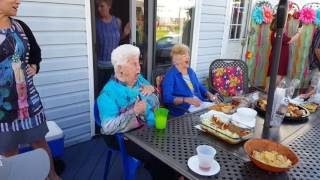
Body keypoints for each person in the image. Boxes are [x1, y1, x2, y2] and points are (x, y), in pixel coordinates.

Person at [97, 44, 180, 179]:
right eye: (134, 64)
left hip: (150, 129)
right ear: (120, 69)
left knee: (176, 141)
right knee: (160, 156)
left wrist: (153, 89)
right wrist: (134, 112)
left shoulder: (139, 80)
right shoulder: (107, 94)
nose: (139, 68)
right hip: (127, 138)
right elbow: (107, 127)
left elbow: (156, 103)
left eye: (139, 63)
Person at [0, 0, 60, 179]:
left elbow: (35, 51)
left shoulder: (21, 26)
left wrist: (35, 65)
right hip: (3, 108)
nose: (18, 1)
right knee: (9, 151)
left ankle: (52, 176)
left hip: (28, 100)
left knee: (40, 142)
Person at [162, 44, 218, 116]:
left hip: (199, 103)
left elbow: (198, 85)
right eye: (184, 55)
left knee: (218, 111)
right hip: (184, 110)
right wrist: (186, 99)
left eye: (188, 55)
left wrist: (209, 94)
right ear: (177, 59)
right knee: (212, 117)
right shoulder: (170, 76)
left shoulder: (190, 71)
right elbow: (167, 98)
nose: (188, 57)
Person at [95, 0, 131, 91]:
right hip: (100, 67)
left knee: (114, 91)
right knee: (102, 92)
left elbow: (116, 41)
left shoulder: (117, 21)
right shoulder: (96, 23)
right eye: (97, 6)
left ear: (109, 6)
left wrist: (125, 33)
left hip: (114, 65)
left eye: (101, 6)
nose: (99, 9)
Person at [265, 18, 303, 91]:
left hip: (278, 57)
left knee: (273, 77)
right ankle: (268, 96)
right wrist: (299, 32)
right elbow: (290, 40)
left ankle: (267, 95)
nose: (285, 24)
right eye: (284, 23)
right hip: (279, 58)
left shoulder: (276, 33)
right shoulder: (278, 33)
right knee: (275, 79)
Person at [299, 29, 320, 101]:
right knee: (314, 85)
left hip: (316, 64)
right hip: (317, 64)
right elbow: (317, 49)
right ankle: (302, 104)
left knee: (315, 87)